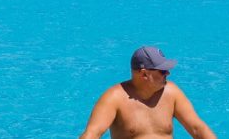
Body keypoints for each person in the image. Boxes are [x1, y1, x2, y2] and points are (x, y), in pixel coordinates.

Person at [79, 46, 216, 139]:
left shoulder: (172, 92)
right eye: (162, 71)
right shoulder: (114, 98)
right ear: (144, 74)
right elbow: (92, 134)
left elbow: (197, 128)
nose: (168, 73)